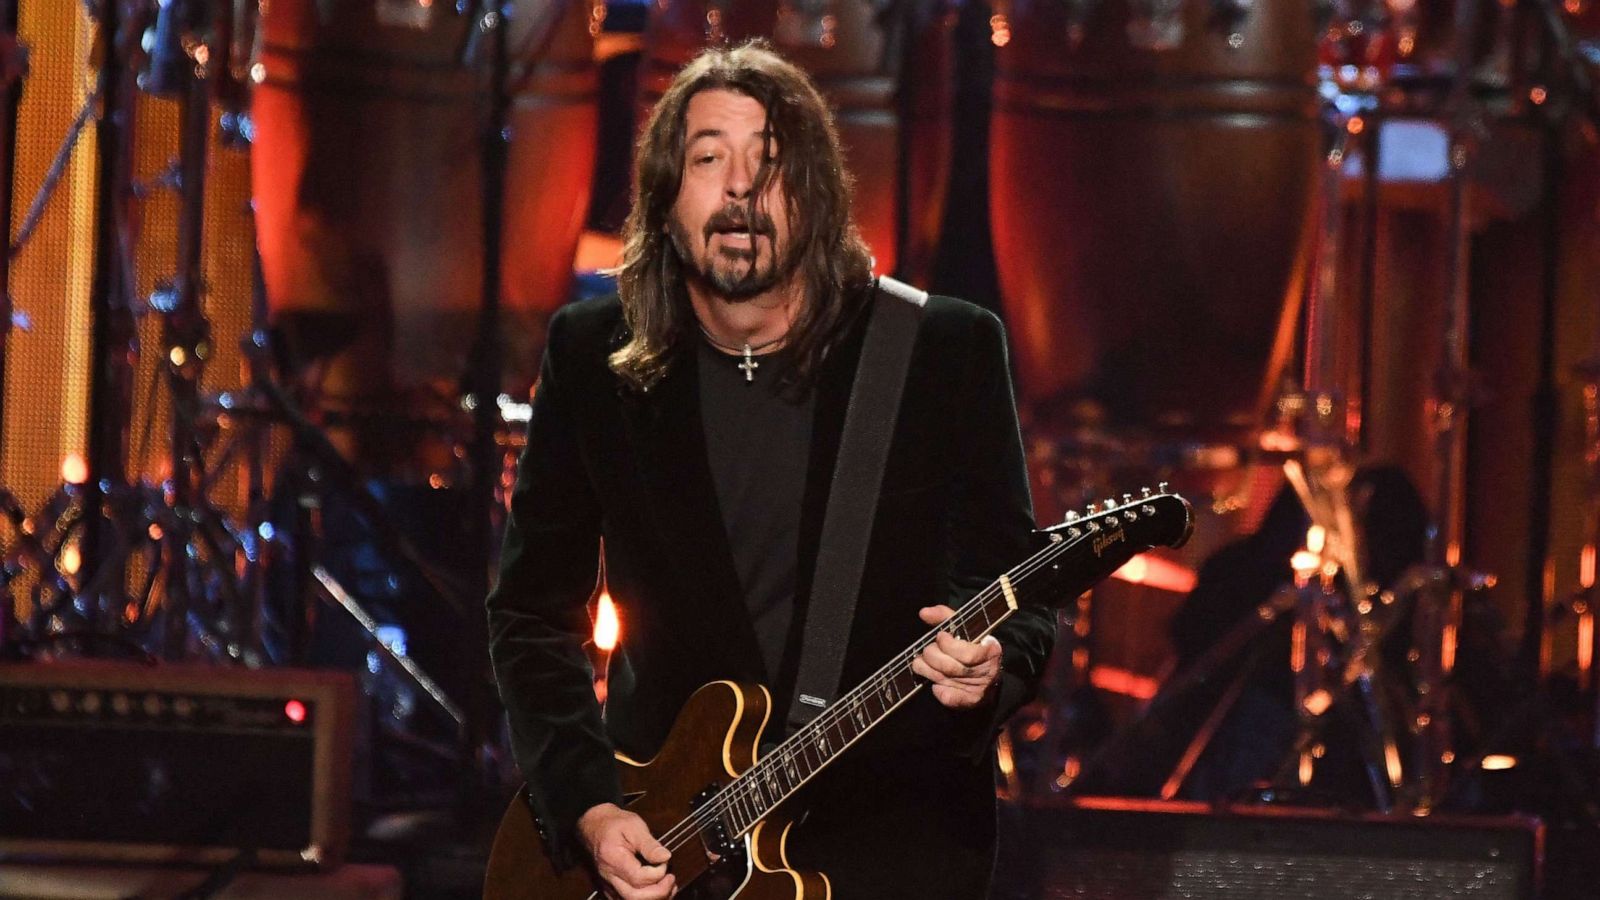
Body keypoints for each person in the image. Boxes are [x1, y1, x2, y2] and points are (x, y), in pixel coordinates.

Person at [485, 40, 1055, 900]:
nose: (740, 187)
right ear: (664, 202)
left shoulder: (942, 351)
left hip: (888, 843)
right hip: (673, 846)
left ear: (817, 197)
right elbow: (532, 614)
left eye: (771, 161)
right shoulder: (590, 356)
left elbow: (1019, 587)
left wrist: (991, 671)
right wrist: (592, 809)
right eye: (709, 157)